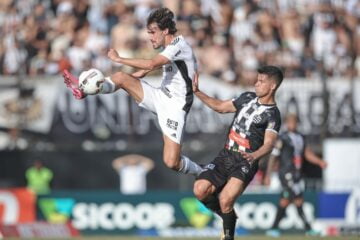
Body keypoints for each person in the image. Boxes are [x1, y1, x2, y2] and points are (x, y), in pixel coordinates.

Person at [62, 7, 203, 176]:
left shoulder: (179, 45)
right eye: (148, 32)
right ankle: (84, 88)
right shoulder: (168, 49)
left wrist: (119, 58)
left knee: (171, 161)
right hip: (160, 96)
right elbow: (145, 70)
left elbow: (151, 64)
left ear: (165, 31)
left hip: (175, 107)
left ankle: (203, 170)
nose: (150, 37)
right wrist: (118, 82)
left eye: (153, 32)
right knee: (122, 77)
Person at [192, 66, 284, 240]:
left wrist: (254, 156)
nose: (256, 83)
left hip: (246, 161)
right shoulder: (247, 97)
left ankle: (228, 235)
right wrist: (197, 92)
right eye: (257, 80)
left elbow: (270, 144)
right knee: (200, 190)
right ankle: (229, 216)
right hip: (226, 155)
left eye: (261, 81)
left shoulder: (273, 115)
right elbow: (219, 107)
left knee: (226, 199)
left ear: (272, 86)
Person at [264, 113, 327, 237]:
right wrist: (268, 175)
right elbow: (273, 157)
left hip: (297, 174)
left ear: (297, 123)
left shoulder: (301, 137)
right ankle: (308, 229)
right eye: (290, 122)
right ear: (287, 124)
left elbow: (307, 154)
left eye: (294, 122)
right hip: (286, 173)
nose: (292, 124)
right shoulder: (282, 138)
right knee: (297, 200)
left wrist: (319, 161)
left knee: (286, 201)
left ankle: (273, 228)